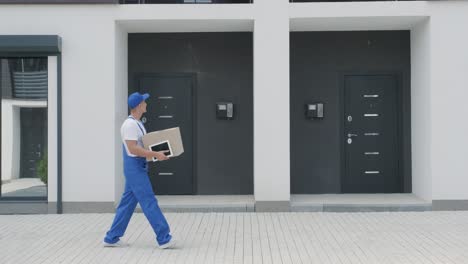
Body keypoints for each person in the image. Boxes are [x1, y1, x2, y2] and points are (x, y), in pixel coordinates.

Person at [103, 92, 175, 249]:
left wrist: (158, 152)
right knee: (149, 201)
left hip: (137, 166)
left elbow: (142, 145)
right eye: (144, 102)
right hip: (134, 168)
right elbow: (133, 149)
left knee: (127, 204)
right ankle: (164, 238)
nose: (146, 104)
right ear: (138, 106)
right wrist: (155, 154)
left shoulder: (137, 123)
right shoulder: (129, 125)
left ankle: (112, 237)